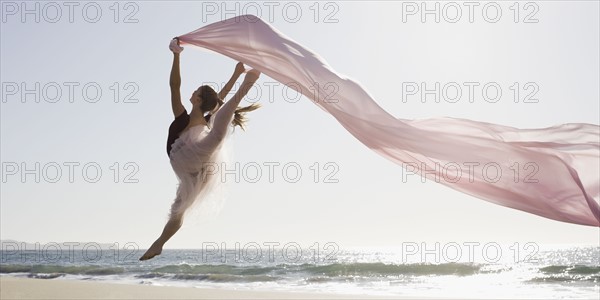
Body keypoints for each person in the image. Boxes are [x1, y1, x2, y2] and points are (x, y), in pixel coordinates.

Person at [139, 38, 260, 261]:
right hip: (185, 158)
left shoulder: (188, 117)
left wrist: (176, 56)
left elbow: (177, 87)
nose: (191, 92)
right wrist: (176, 54)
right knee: (216, 127)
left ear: (198, 100)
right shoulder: (186, 118)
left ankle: (158, 243)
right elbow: (180, 87)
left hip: (198, 166)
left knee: (180, 207)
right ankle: (245, 87)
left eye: (195, 92)